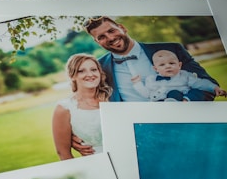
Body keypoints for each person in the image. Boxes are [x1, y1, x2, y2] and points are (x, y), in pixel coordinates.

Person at [84, 16, 222, 102]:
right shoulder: (98, 67)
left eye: (111, 31)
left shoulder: (172, 49)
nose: (110, 38)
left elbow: (208, 85)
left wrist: (185, 102)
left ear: (122, 28)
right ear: (97, 42)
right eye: (101, 37)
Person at [52, 53, 111, 159]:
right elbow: (63, 153)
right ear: (72, 76)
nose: (90, 74)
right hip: (95, 162)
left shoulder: (112, 99)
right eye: (81, 71)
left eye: (94, 70)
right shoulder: (65, 108)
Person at [132, 49, 227, 101]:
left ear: (179, 65)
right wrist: (137, 83)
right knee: (164, 97)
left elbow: (200, 83)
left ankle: (184, 102)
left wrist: (214, 88)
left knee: (195, 92)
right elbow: (146, 94)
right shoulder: (151, 79)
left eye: (171, 63)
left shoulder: (184, 75)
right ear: (155, 69)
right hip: (161, 102)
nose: (168, 66)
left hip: (182, 98)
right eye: (162, 65)